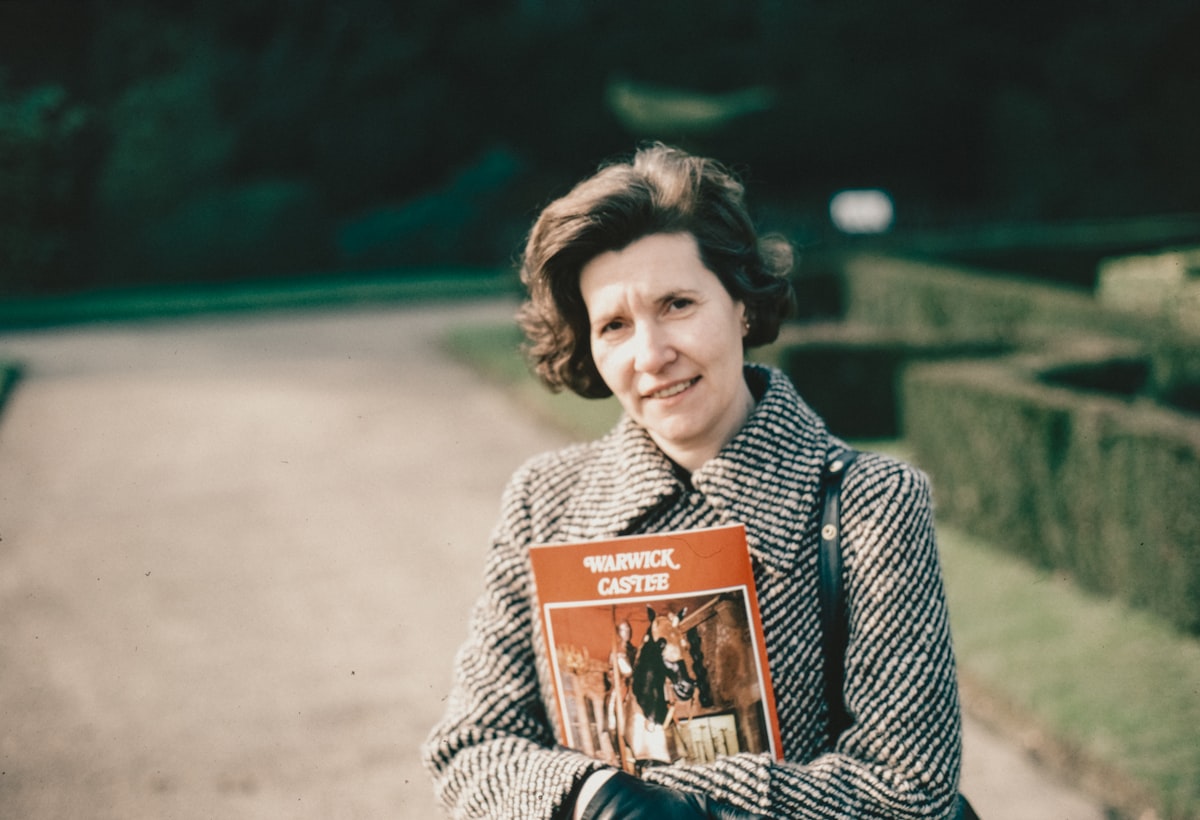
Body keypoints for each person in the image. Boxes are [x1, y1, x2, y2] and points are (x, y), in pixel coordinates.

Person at [421, 143, 964, 818]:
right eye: (614, 325)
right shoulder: (544, 500)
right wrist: (595, 797)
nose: (651, 354)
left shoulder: (873, 505)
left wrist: (686, 809)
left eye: (677, 304)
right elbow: (469, 746)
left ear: (740, 303)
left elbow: (911, 791)